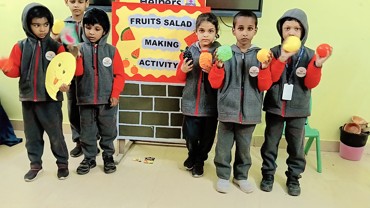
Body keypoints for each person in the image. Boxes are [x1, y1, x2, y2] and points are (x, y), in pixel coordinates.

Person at [260, 8, 332, 196]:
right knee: (270, 143)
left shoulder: (309, 55)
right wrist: (282, 58)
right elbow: (271, 80)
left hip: (298, 110)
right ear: (281, 31)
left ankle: (294, 178)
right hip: (275, 107)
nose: (291, 32)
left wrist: (317, 65)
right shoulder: (274, 52)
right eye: (287, 28)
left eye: (296, 29)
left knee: (296, 147)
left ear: (303, 32)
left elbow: (310, 83)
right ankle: (267, 174)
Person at [0, 3, 70, 181]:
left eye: (46, 24)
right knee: (32, 136)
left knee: (56, 135)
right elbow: (14, 70)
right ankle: (35, 165)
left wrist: (65, 84)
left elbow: (65, 71)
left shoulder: (56, 47)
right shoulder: (20, 47)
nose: (42, 29)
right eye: (36, 25)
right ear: (27, 25)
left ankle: (62, 164)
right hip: (29, 98)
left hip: (51, 99)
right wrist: (4, 65)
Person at [208, 10, 272, 193]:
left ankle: (241, 177)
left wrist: (265, 68)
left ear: (255, 31)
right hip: (227, 111)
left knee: (244, 149)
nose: (245, 33)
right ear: (233, 31)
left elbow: (264, 85)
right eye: (241, 28)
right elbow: (215, 83)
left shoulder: (261, 55)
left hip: (250, 112)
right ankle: (222, 176)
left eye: (249, 28)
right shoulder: (224, 54)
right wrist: (218, 66)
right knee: (223, 148)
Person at [74, 8, 125, 175]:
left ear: (105, 31)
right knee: (87, 132)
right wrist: (75, 57)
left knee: (108, 131)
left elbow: (119, 75)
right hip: (85, 100)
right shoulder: (79, 49)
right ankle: (89, 158)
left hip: (107, 101)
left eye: (97, 29)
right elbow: (77, 73)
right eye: (88, 27)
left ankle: (108, 156)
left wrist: (115, 94)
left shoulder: (112, 51)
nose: (91, 32)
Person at [176, 13, 220, 178]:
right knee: (190, 134)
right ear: (196, 32)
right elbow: (180, 77)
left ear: (216, 33)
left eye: (210, 31)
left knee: (207, 137)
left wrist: (213, 71)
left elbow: (222, 79)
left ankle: (200, 160)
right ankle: (192, 154)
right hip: (191, 102)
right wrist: (183, 71)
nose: (206, 34)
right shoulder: (189, 50)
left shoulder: (219, 52)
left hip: (211, 104)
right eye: (202, 30)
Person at [59, 0, 92, 158]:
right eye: (72, 1)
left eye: (80, 1)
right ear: (66, 2)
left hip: (90, 73)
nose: (76, 5)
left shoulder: (92, 22)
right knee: (73, 107)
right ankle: (78, 141)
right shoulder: (65, 26)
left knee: (90, 108)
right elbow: (64, 49)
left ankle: (90, 141)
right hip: (70, 74)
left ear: (87, 3)